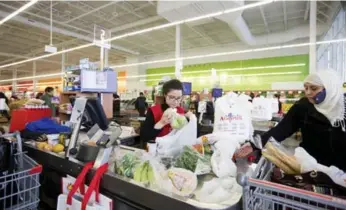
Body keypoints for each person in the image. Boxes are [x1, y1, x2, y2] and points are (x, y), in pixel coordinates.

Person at [236, 70, 346, 171]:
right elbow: (281, 130)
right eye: (306, 88)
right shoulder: (303, 107)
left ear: (330, 88)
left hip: (342, 170)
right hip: (311, 167)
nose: (308, 92)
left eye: (313, 88)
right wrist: (255, 144)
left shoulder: (343, 108)